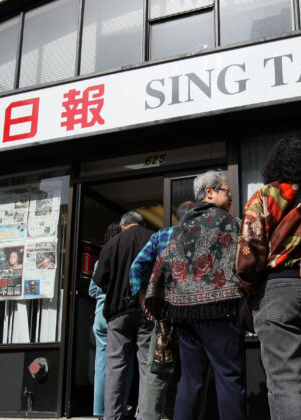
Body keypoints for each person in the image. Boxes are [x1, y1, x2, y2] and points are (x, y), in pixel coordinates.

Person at [236, 137, 301, 420]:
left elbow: (249, 254)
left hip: (276, 291)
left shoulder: (264, 196)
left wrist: (248, 286)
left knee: (285, 382)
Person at [145, 170, 246, 420]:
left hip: (183, 316)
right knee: (229, 378)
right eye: (227, 191)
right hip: (220, 312)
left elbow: (163, 266)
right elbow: (245, 262)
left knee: (190, 381)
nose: (230, 196)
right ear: (209, 192)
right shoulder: (229, 223)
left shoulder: (179, 229)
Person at [128, 201, 191, 420]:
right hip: (195, 309)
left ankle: (149, 416)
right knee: (193, 368)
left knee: (157, 367)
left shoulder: (161, 235)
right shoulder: (200, 234)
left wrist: (144, 298)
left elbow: (137, 266)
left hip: (165, 311)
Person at [93, 212, 154, 420]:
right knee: (147, 363)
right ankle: (146, 415)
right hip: (148, 309)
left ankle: (112, 416)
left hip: (118, 310)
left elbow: (100, 279)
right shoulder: (152, 237)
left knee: (115, 366)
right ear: (142, 223)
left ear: (122, 225)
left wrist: (117, 287)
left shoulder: (112, 243)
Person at [89, 222, 123, 419]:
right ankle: (119, 406)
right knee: (121, 362)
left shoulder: (100, 259)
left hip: (100, 314)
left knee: (101, 364)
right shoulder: (124, 255)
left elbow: (92, 290)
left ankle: (99, 411)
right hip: (117, 313)